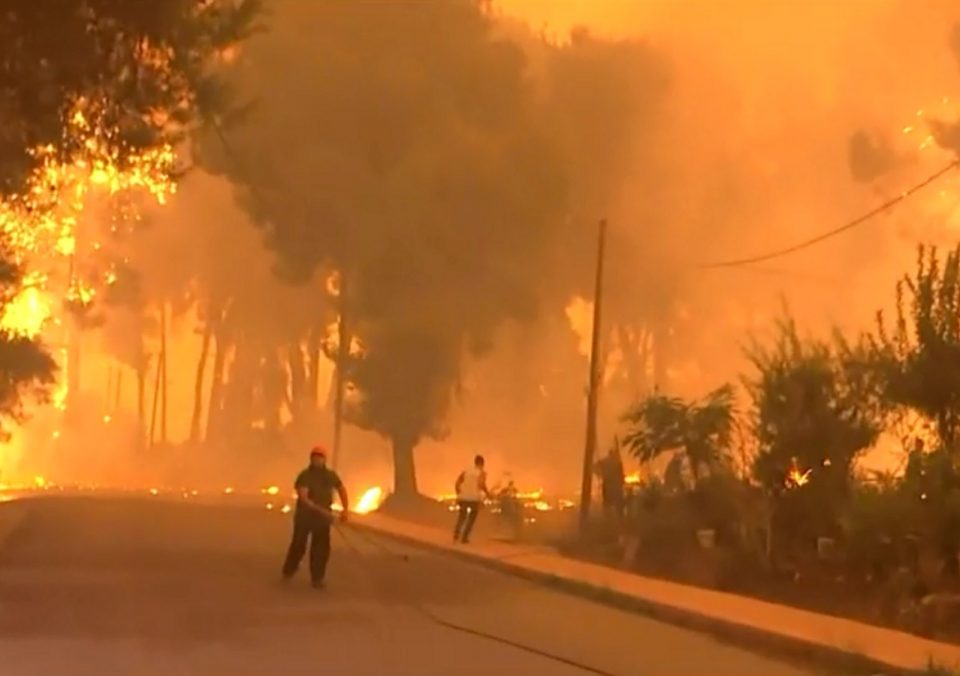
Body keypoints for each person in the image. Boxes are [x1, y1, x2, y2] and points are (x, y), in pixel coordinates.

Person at [281, 446, 349, 589]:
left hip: (322, 521)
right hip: (304, 518)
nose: (317, 459)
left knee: (321, 549)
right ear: (311, 459)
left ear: (324, 459)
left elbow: (341, 489)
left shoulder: (330, 475)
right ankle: (288, 571)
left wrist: (345, 510)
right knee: (299, 545)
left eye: (320, 457)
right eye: (315, 457)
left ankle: (317, 578)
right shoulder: (305, 476)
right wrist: (322, 511)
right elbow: (304, 497)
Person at [453, 454, 491, 544]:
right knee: (472, 518)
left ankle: (456, 534)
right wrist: (488, 493)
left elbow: (457, 483)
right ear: (482, 463)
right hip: (474, 498)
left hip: (463, 497)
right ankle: (464, 537)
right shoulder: (481, 473)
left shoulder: (466, 471)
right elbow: (481, 484)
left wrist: (459, 493)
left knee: (462, 516)